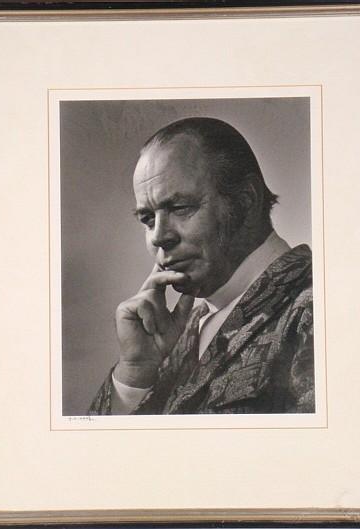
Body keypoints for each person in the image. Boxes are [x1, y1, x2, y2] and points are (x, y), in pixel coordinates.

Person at [89, 117, 314, 415]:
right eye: (147, 219)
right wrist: (135, 371)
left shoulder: (318, 309)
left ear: (246, 201)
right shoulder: (171, 336)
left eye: (180, 208)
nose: (159, 236)